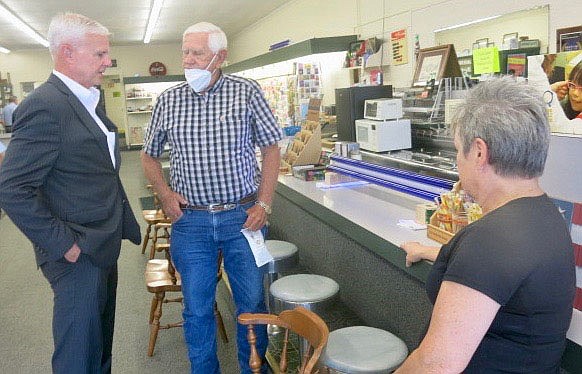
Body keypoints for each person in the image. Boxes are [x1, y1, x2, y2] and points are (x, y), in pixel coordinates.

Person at [396, 77, 575, 373]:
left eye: (457, 150)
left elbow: (435, 365)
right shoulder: (545, 216)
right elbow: (504, 279)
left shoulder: (491, 241)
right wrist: (431, 252)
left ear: (479, 152)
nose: (457, 161)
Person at [0, 13, 141, 373]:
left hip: (99, 244)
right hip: (76, 253)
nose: (107, 62)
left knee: (99, 349)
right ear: (67, 52)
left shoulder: (85, 99)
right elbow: (12, 187)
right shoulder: (46, 105)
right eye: (99, 55)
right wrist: (65, 244)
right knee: (78, 356)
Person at [141, 22, 282, 373]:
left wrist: (264, 203)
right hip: (192, 221)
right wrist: (165, 194)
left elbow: (271, 148)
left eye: (197, 53)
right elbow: (148, 155)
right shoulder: (169, 100)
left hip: (243, 217)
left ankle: (253, 368)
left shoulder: (247, 92)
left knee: (250, 302)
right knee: (197, 308)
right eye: (185, 52)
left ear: (220, 57)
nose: (188, 60)